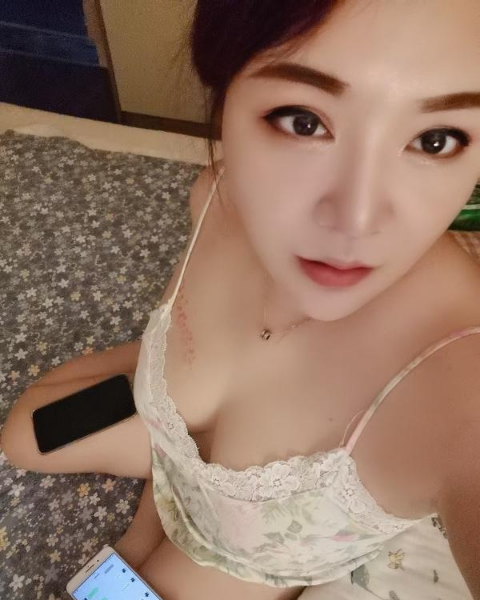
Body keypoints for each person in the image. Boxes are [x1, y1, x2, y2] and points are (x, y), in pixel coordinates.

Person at [2, 1, 480, 599]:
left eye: (436, 140)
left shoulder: (460, 383)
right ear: (224, 93)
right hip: (171, 446)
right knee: (25, 435)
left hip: (238, 552)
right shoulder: (218, 194)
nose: (356, 220)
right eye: (303, 121)